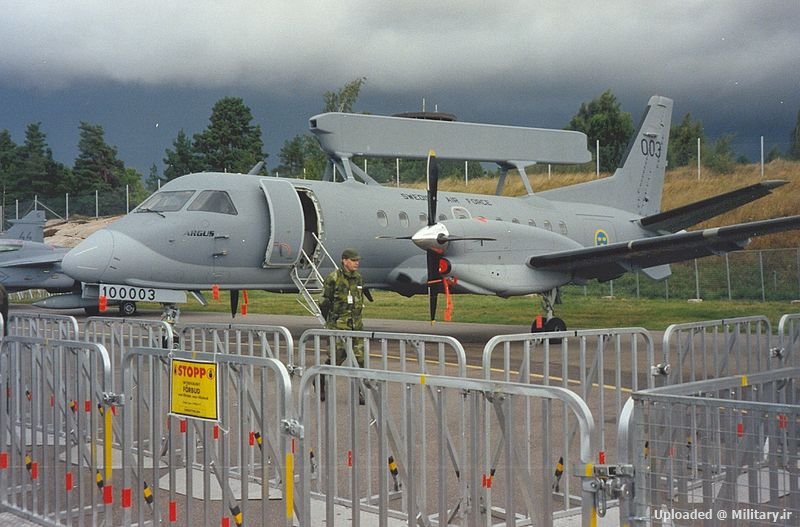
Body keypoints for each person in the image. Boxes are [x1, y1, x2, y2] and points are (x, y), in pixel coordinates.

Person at [319, 248, 366, 367]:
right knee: (336, 359)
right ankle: (321, 380)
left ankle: (362, 385)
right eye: (353, 260)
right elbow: (324, 301)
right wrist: (331, 321)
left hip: (356, 326)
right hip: (339, 327)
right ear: (344, 261)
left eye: (357, 260)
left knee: (360, 360)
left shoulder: (358, 278)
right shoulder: (334, 278)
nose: (357, 263)